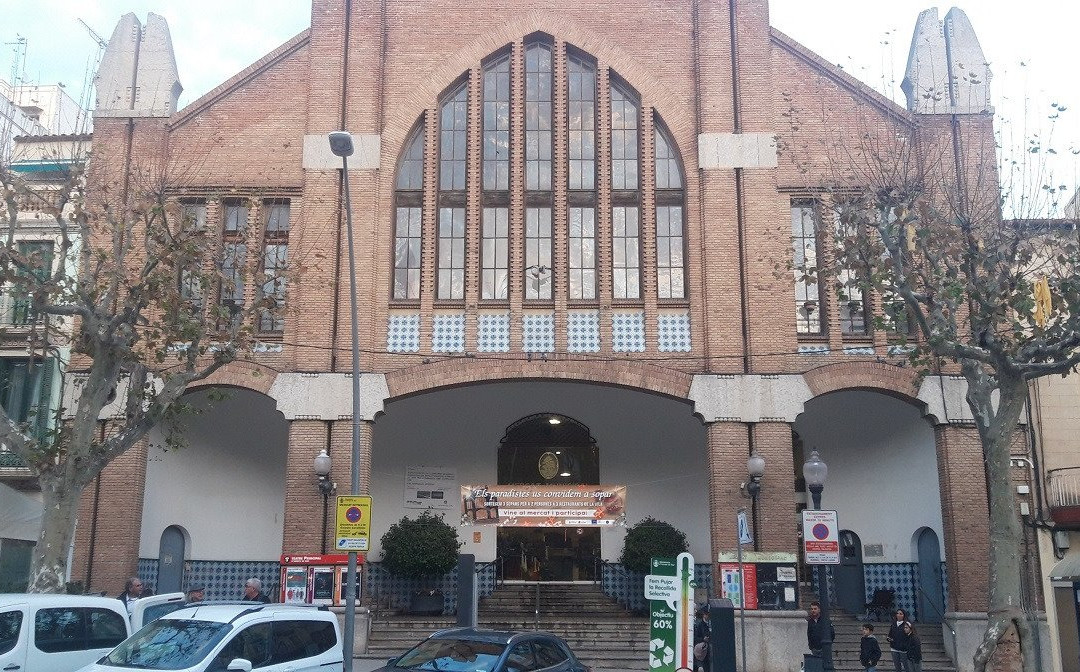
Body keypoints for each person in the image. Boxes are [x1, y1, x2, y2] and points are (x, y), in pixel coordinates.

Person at [693, 606, 710, 672]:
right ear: (704, 615)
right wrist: (703, 639)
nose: (708, 616)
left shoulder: (710, 623)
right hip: (703, 650)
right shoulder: (699, 625)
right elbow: (696, 638)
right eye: (707, 614)